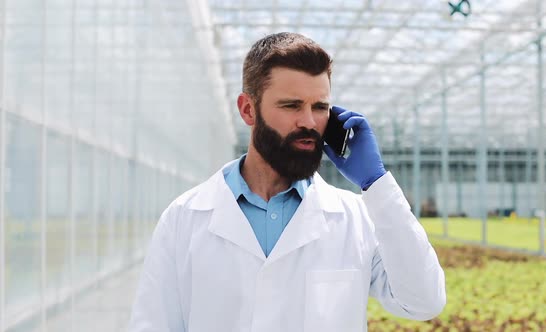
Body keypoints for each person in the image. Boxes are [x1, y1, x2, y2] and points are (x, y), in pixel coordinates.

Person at [128, 32, 445, 332]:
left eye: (320, 107)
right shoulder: (184, 218)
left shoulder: (355, 218)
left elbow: (423, 300)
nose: (309, 122)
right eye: (291, 105)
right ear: (248, 109)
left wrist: (376, 185)